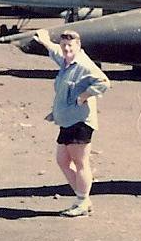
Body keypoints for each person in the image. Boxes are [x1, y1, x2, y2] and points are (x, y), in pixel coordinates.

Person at [33, 27, 110, 217]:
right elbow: (56, 52)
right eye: (64, 45)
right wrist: (44, 40)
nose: (66, 49)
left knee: (80, 162)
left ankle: (82, 202)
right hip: (67, 120)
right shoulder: (67, 61)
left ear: (78, 46)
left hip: (80, 121)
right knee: (62, 160)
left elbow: (104, 82)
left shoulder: (83, 65)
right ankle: (83, 198)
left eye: (70, 45)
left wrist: (84, 96)